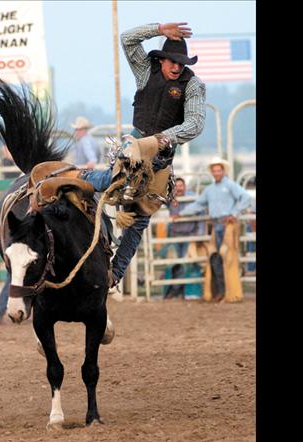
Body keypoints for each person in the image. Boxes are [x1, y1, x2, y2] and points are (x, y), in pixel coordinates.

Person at [80, 21, 206, 287]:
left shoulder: (193, 85)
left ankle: (115, 273)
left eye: (181, 63)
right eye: (172, 61)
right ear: (161, 60)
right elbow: (127, 39)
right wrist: (158, 29)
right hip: (135, 144)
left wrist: (163, 139)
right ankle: (78, 177)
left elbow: (195, 123)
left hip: (162, 156)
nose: (176, 67)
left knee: (140, 220)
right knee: (112, 180)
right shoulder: (145, 71)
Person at [179, 156, 253, 302]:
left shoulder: (230, 185)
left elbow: (245, 198)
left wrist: (234, 213)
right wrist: (180, 213)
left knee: (228, 258)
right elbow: (198, 204)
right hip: (216, 225)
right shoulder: (210, 190)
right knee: (216, 258)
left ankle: (228, 292)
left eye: (219, 170)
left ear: (223, 171)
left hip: (228, 225)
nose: (217, 173)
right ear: (212, 172)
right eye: (214, 171)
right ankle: (221, 291)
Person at [164, 177, 203, 299]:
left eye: (180, 186)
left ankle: (186, 291)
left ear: (184, 186)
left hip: (189, 234)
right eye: (176, 186)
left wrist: (200, 233)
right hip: (175, 235)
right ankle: (178, 290)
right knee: (176, 263)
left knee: (188, 263)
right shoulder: (170, 198)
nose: (178, 188)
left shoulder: (192, 198)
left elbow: (200, 213)